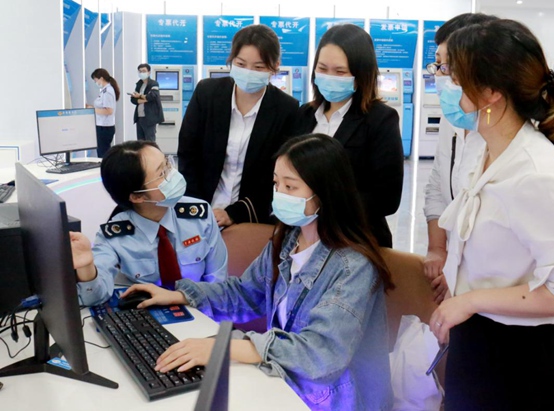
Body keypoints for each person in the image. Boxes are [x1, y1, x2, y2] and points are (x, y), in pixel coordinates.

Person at [123, 134, 395, 410]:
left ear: (326, 192)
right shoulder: (288, 239)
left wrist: (224, 348)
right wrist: (180, 294)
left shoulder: (353, 267)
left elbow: (320, 353)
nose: (279, 194)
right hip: (285, 383)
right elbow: (245, 293)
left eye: (290, 186)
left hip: (333, 400)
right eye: (277, 184)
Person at [428, 19, 554, 410]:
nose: (442, 82)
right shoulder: (483, 150)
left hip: (523, 363)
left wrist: (470, 301)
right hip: (479, 342)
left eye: (452, 74)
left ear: (490, 92)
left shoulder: (537, 174)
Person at [71, 141, 228, 307]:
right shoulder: (115, 236)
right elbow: (94, 298)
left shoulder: (200, 216)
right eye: (162, 173)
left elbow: (219, 284)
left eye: (168, 163)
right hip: (148, 314)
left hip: (199, 308)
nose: (173, 174)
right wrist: (86, 267)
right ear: (137, 197)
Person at [293, 24, 404, 247]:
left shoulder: (380, 119)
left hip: (356, 241)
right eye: (322, 69)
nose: (329, 77)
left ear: (360, 74)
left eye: (340, 72)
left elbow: (387, 198)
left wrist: (322, 207)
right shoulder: (304, 115)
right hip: (304, 237)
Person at [178, 25, 299, 228]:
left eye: (258, 67)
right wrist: (198, 207)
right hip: (201, 209)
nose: (248, 72)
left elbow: (277, 174)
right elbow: (188, 153)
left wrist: (235, 213)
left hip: (250, 216)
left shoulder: (286, 109)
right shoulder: (207, 93)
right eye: (241, 64)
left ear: (275, 66)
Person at [423, 13, 498, 304]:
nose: (440, 76)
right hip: (457, 275)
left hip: (491, 290)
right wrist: (438, 250)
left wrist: (458, 271)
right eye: (438, 65)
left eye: (449, 66)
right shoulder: (453, 118)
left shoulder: (506, 140)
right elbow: (437, 185)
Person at [88, 68, 119, 158]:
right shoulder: (105, 90)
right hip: (103, 126)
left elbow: (109, 111)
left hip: (104, 127)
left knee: (103, 154)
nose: (95, 83)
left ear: (101, 78)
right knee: (103, 152)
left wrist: (92, 110)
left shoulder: (107, 92)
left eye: (95, 80)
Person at [131, 64, 164, 142]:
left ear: (149, 72)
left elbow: (153, 96)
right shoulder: (139, 84)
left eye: (144, 71)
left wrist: (140, 96)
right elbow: (133, 100)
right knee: (140, 142)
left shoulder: (153, 83)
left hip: (149, 117)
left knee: (150, 141)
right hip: (139, 117)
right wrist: (144, 99)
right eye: (140, 71)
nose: (141, 73)